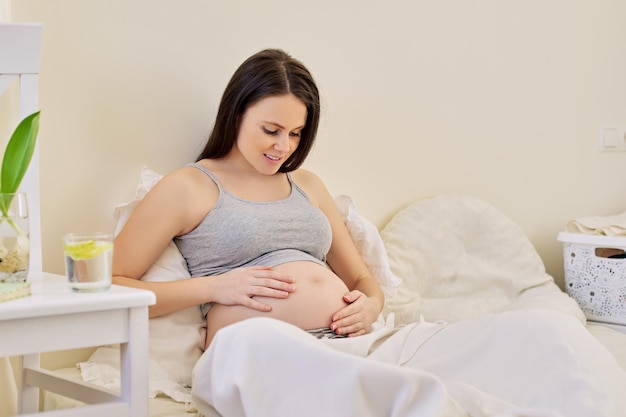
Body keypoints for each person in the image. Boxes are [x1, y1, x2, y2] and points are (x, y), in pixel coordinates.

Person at [112, 48, 384, 348]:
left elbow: (360, 278)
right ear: (237, 114)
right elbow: (109, 284)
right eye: (271, 130)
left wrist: (371, 306)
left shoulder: (308, 184)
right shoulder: (188, 187)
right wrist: (211, 288)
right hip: (256, 352)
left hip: (344, 344)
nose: (283, 147)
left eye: (295, 133)